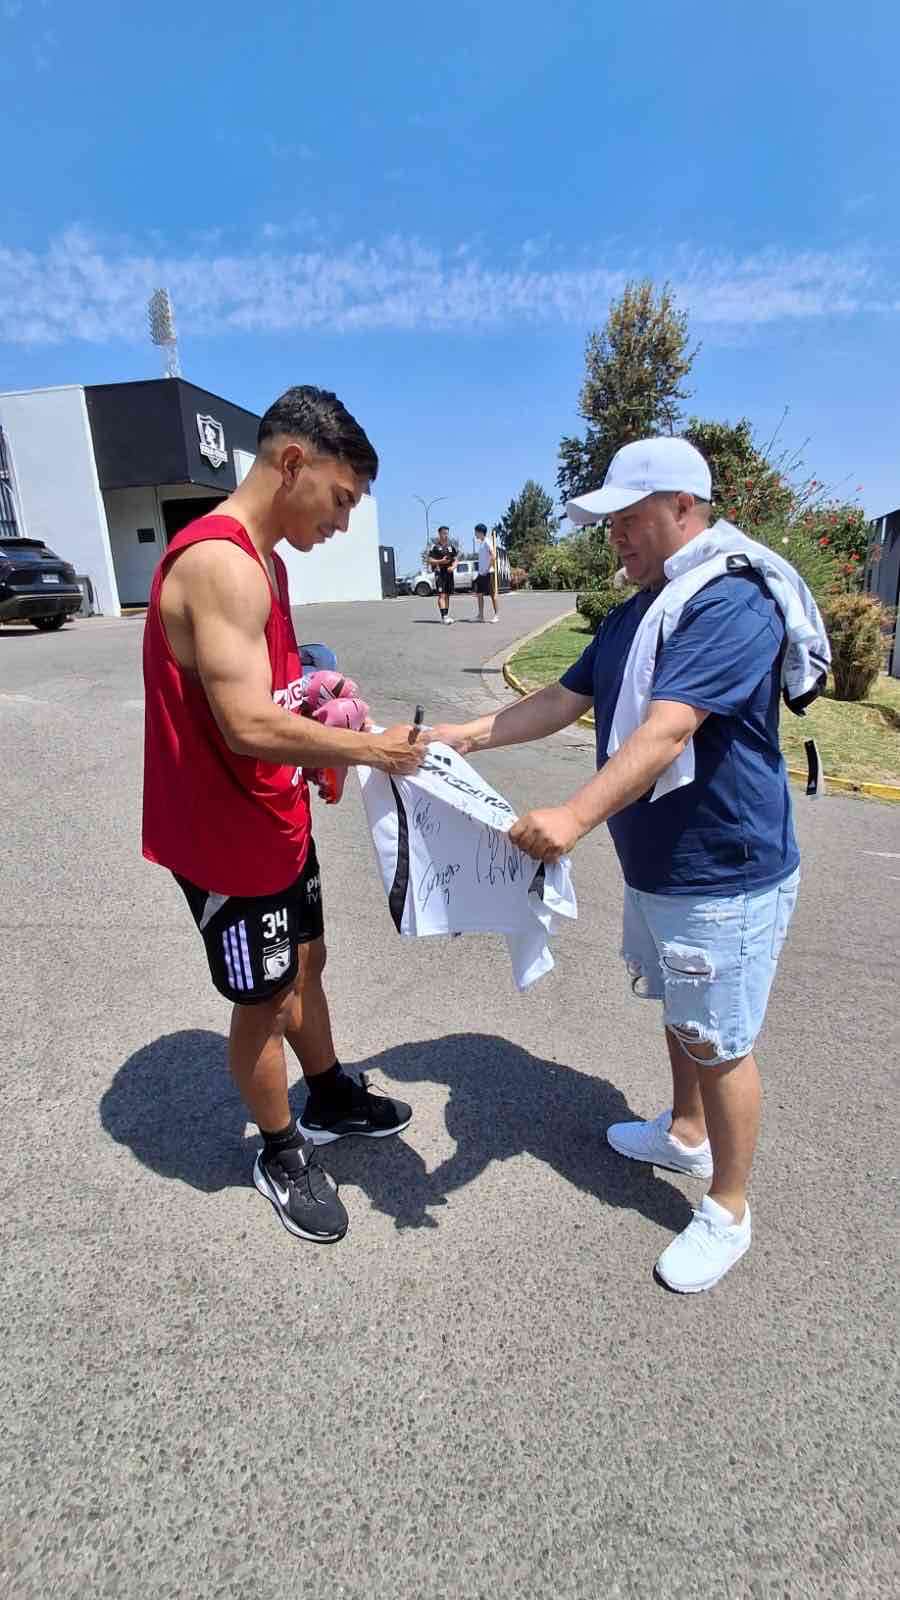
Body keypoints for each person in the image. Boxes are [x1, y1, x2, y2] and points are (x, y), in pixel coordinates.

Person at [429, 437, 806, 1293]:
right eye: (610, 528)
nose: (616, 542)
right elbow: (566, 697)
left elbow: (668, 728)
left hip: (725, 871)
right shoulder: (642, 609)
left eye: (628, 522)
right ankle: (684, 1132)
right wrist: (464, 734)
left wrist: (572, 814)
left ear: (683, 507)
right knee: (679, 1004)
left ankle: (729, 1209)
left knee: (720, 1038)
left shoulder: (729, 602)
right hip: (661, 866)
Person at [142, 385, 425, 1246]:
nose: (343, 522)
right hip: (227, 843)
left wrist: (321, 691)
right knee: (263, 999)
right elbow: (246, 722)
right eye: (341, 499)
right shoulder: (219, 563)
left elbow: (274, 684)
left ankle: (329, 1090)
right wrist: (373, 749)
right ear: (291, 462)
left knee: (310, 958)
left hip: (275, 820)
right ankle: (280, 1149)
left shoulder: (268, 562)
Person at [428, 525, 458, 624]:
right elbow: (430, 560)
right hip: (439, 573)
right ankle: (444, 616)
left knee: (447, 595)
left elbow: (455, 559)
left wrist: (453, 567)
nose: (446, 535)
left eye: (447, 533)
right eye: (444, 533)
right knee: (442, 594)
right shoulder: (435, 547)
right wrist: (441, 561)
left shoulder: (451, 547)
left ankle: (446, 615)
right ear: (439, 534)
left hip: (449, 574)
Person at [473, 523, 498, 622]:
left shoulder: (487, 541)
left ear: (480, 532)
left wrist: (488, 568)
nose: (475, 534)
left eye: (476, 532)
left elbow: (493, 556)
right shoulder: (481, 543)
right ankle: (481, 616)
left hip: (488, 573)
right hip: (481, 574)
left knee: (492, 594)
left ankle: (496, 615)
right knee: (479, 594)